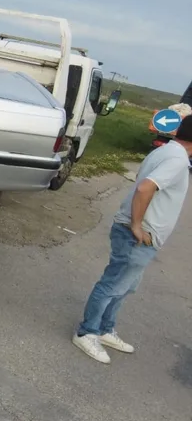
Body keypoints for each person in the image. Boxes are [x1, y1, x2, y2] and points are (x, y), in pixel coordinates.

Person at [72, 115, 192, 363]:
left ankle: (105, 329)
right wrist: (136, 225)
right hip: (136, 235)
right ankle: (87, 332)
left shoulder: (168, 151)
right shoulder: (178, 160)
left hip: (140, 236)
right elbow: (145, 187)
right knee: (112, 284)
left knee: (125, 286)